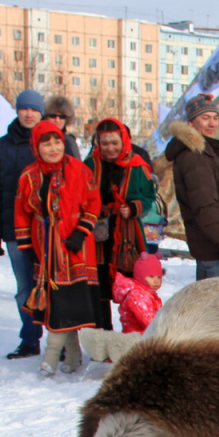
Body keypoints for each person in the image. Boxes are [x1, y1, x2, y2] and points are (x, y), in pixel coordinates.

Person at [14, 120, 99, 376]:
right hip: (45, 245)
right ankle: (72, 354)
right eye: (46, 143)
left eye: (57, 141)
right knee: (56, 299)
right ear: (36, 147)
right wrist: (26, 245)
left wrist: (80, 231)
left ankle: (51, 355)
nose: (53, 148)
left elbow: (93, 204)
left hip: (76, 247)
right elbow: (21, 212)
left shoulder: (80, 170)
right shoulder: (28, 175)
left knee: (67, 299)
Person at [0, 89, 47, 358]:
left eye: (34, 109)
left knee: (52, 283)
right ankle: (30, 339)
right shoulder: (3, 145)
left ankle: (60, 341)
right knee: (24, 287)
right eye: (24, 109)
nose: (29, 113)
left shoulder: (53, 141)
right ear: (17, 111)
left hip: (48, 229)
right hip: (15, 229)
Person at [164, 95, 219, 281]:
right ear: (191, 123)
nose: (212, 123)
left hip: (215, 249)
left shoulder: (206, 152)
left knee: (212, 307)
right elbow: (205, 206)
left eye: (215, 117)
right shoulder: (195, 157)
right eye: (205, 118)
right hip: (218, 252)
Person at [84, 116, 156, 326]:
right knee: (98, 284)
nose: (110, 148)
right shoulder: (90, 164)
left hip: (128, 232)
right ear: (97, 142)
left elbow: (149, 196)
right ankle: (102, 334)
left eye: (115, 143)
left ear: (124, 141)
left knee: (133, 284)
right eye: (105, 143)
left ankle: (134, 329)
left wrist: (134, 207)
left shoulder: (137, 165)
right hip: (98, 232)